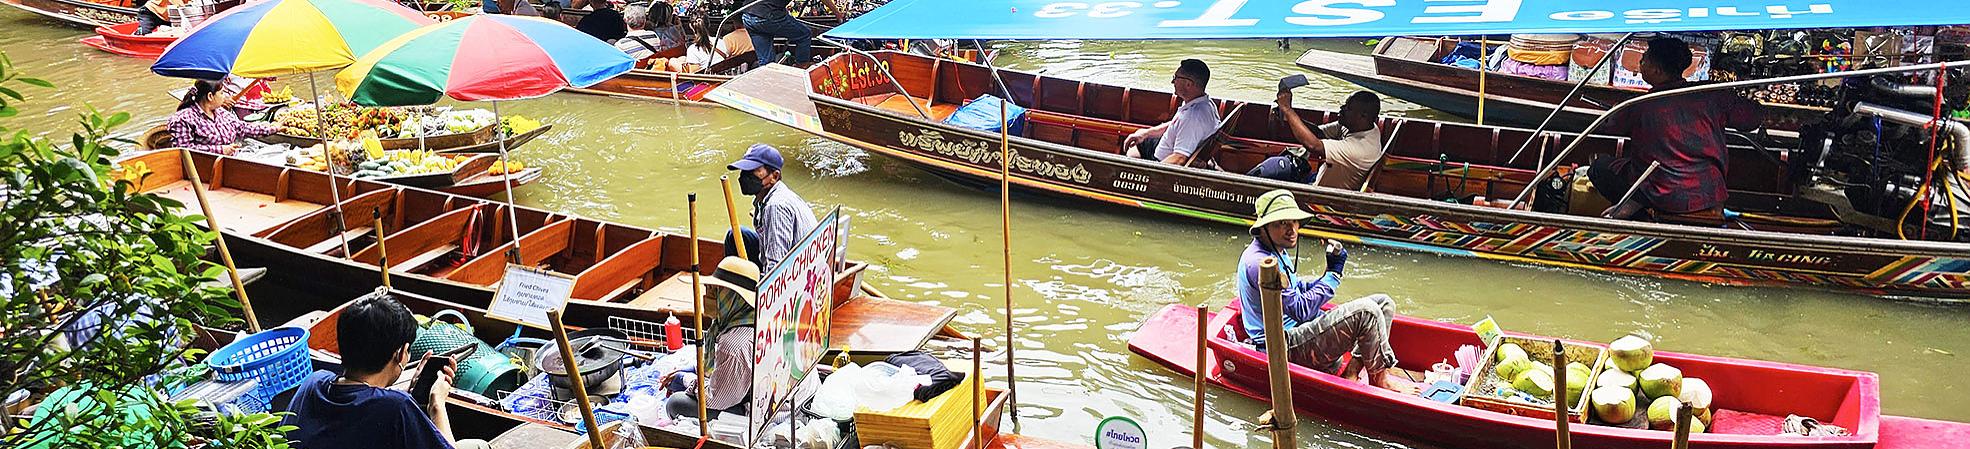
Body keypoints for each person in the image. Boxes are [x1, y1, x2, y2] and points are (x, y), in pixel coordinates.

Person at [1235, 189, 1411, 393]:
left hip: (1299, 330)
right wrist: (1333, 276)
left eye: (1294, 222)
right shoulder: (1260, 263)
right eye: (1282, 223)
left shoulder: (1277, 250)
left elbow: (1298, 288)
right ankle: (1380, 378)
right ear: (1264, 227)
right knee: (1367, 312)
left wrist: (1328, 273)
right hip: (1281, 345)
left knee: (1384, 303)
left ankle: (1352, 371)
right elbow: (1301, 310)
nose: (1292, 230)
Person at [283, 293, 489, 449]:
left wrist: (413, 396)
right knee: (478, 445)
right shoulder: (396, 407)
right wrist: (437, 405)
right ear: (400, 354)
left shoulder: (314, 382)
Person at [1589, 37, 1762, 219]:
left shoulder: (1640, 104)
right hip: (1709, 192)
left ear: (1656, 69)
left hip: (1664, 194)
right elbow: (1752, 119)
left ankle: (1638, 211)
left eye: (1644, 59)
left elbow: (1609, 126)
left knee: (1599, 167)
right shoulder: (1711, 94)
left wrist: (1617, 110)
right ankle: (1636, 204)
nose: (1640, 63)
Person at [661, 256, 759, 419]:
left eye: (714, 291)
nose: (707, 297)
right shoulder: (755, 317)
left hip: (755, 412)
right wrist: (695, 369)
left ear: (732, 297)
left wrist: (684, 379)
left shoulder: (734, 344)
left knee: (676, 403)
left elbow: (715, 399)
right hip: (745, 391)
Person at [1258, 91, 1385, 190]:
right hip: (1317, 178)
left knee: (1271, 168)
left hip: (1322, 197)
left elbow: (1313, 145)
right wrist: (1289, 116)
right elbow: (1318, 133)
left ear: (1363, 116)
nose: (1342, 108)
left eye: (1348, 108)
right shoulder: (1363, 126)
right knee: (1278, 165)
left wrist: (1287, 109)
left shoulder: (1361, 148)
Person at [728, 143, 817, 271]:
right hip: (798, 259)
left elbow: (776, 267)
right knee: (735, 236)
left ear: (774, 176)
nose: (744, 176)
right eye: (744, 171)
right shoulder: (775, 195)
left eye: (753, 171)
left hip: (795, 272)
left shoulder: (775, 206)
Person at [1123, 59, 1218, 166]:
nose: (1172, 82)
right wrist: (1146, 133)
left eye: (1176, 78)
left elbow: (1179, 158)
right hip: (1165, 147)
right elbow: (1176, 124)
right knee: (1139, 135)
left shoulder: (1192, 117)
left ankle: (1135, 171)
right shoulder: (1206, 103)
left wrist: (1151, 171)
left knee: (1132, 147)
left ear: (1188, 84)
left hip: (1162, 160)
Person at [168, 79, 278, 156]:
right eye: (222, 93)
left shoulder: (221, 112)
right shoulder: (183, 119)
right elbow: (183, 150)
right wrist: (220, 150)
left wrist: (274, 128)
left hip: (231, 160)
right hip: (204, 168)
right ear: (210, 96)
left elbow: (242, 127)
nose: (224, 97)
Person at [738, 0, 814, 68]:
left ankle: (767, 73)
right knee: (804, 35)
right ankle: (802, 65)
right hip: (768, 16)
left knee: (766, 62)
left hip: (748, 16)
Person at [615, 3, 683, 62]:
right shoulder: (654, 36)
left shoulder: (620, 45)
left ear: (625, 20)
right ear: (645, 20)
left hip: (632, 72)